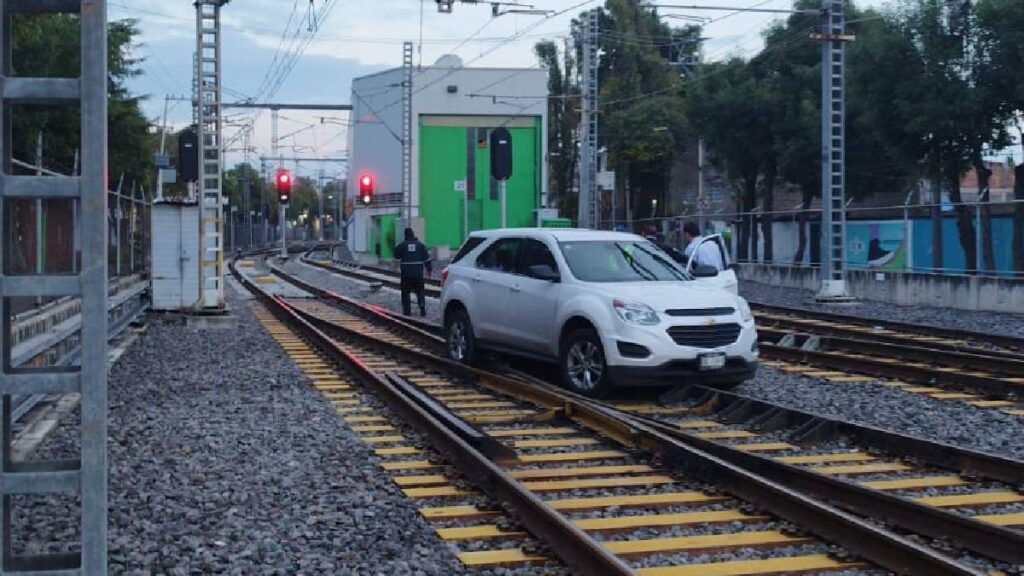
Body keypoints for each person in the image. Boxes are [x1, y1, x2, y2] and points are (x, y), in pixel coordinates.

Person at [394, 227, 432, 316]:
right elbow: (427, 259)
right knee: (420, 291)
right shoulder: (421, 245)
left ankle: (407, 312)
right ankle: (422, 307)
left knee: (405, 293)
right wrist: (429, 270)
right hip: (418, 274)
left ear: (405, 235)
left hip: (406, 275)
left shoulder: (402, 245)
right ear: (413, 234)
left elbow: (396, 256)